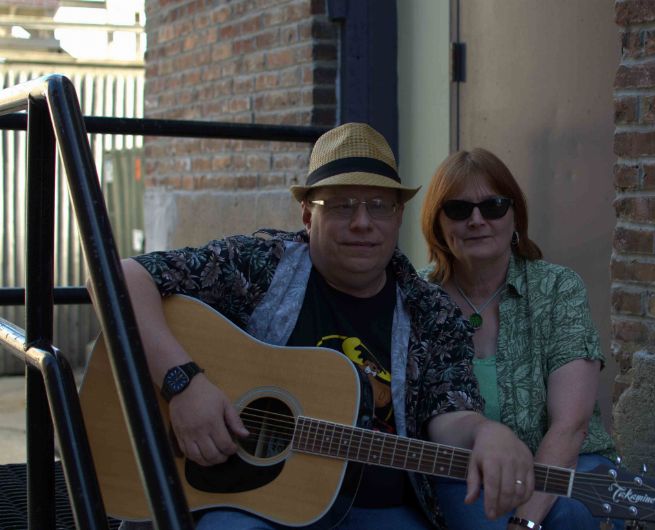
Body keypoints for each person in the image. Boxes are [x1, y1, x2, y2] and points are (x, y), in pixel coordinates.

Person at [105, 124, 535, 530]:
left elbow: (449, 415)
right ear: (308, 216)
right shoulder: (261, 267)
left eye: (378, 205)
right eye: (341, 205)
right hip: (249, 503)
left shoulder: (430, 311)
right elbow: (117, 277)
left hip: (375, 510)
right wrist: (183, 384)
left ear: (398, 216)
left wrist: (485, 432)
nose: (362, 222)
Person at [419, 148, 619, 530]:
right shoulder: (418, 296)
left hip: (568, 463)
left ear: (515, 215)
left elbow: (570, 426)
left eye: (493, 206)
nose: (477, 220)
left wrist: (524, 522)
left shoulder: (557, 288)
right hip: (462, 473)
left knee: (569, 515)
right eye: (459, 209)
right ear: (437, 223)